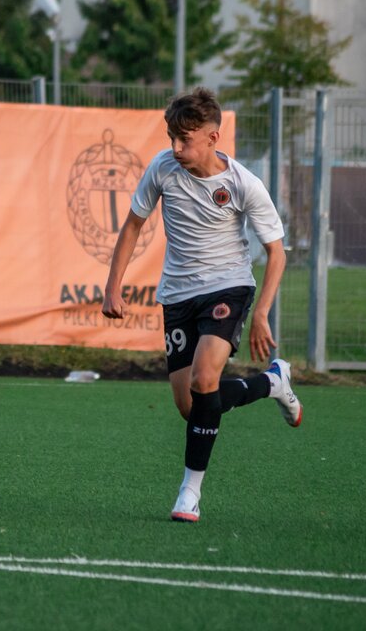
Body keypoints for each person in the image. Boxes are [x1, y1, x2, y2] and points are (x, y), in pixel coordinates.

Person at [101, 87, 301, 523]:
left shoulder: (243, 184)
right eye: (171, 137)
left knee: (205, 378)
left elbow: (277, 252)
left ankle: (189, 492)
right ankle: (271, 383)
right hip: (177, 295)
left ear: (213, 137)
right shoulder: (162, 168)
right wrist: (112, 286)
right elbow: (133, 226)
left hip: (228, 288)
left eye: (185, 139)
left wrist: (261, 312)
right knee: (191, 406)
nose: (176, 148)